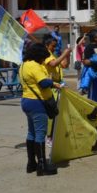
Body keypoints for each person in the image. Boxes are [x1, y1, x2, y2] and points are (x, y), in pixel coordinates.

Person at [20, 43, 63, 176]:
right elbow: (43, 83)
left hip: (27, 101)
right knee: (40, 134)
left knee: (31, 133)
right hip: (37, 103)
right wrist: (53, 83)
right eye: (43, 57)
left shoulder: (23, 65)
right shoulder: (34, 65)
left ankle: (31, 164)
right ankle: (42, 166)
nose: (44, 60)